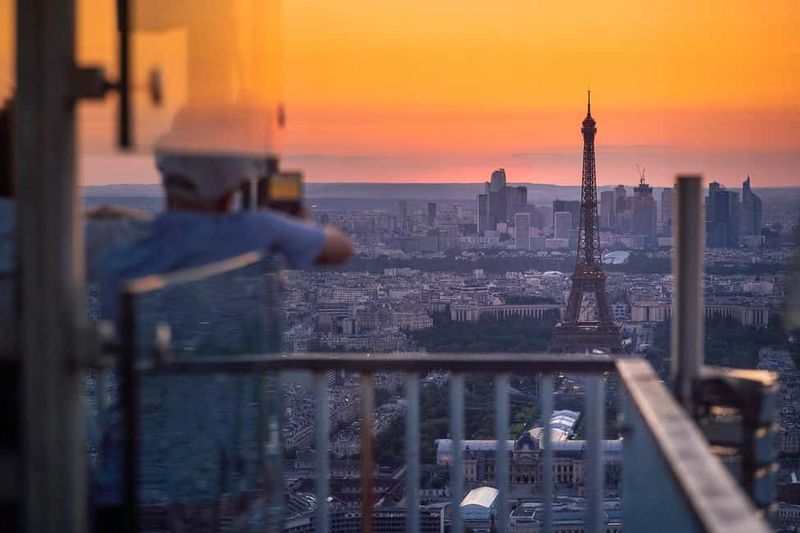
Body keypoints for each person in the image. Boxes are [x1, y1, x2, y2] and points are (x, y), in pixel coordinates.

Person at [97, 150, 352, 318]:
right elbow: (340, 249)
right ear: (231, 189)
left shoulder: (124, 242)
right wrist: (297, 222)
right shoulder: (254, 229)